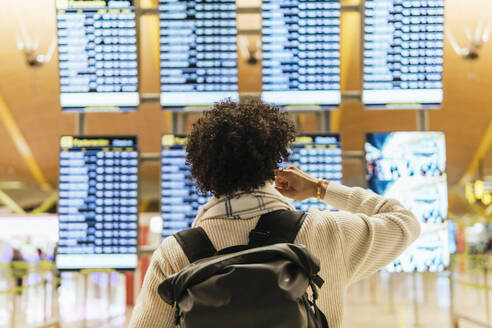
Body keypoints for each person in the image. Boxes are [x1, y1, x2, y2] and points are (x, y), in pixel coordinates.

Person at [129, 100, 421, 328]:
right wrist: (320, 188)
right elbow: (403, 220)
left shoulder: (175, 254)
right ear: (274, 163)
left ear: (203, 172)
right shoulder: (327, 232)